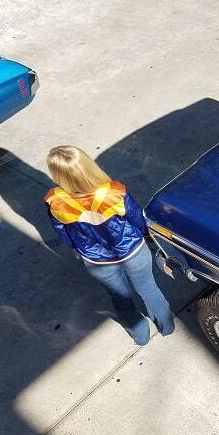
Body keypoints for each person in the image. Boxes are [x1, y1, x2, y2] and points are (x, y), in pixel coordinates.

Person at [44, 145, 174, 345]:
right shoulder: (114, 192)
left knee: (121, 299)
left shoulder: (55, 201)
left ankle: (141, 337)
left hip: (97, 261)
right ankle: (166, 327)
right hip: (133, 252)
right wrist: (148, 238)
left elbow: (62, 233)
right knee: (149, 289)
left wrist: (78, 248)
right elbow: (137, 220)